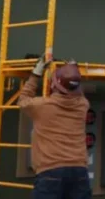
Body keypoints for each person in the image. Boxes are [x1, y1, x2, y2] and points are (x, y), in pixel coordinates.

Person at [19, 54, 91, 199]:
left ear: (53, 85)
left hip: (50, 172)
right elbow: (78, 93)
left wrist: (35, 74)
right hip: (80, 171)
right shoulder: (83, 106)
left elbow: (23, 100)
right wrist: (74, 71)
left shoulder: (42, 106)